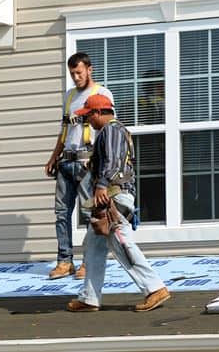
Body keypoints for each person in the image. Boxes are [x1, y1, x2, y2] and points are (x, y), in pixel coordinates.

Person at [66, 93, 170, 312]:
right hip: (110, 195)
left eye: (89, 116)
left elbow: (112, 161)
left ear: (98, 112)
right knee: (94, 245)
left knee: (121, 241)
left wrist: (102, 185)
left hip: (114, 194)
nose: (88, 122)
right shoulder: (113, 131)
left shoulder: (111, 129)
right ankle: (89, 298)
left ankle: (154, 288)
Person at [44, 52, 114, 280]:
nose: (75, 77)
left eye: (79, 72)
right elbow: (64, 130)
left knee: (89, 213)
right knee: (61, 213)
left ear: (89, 70)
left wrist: (104, 164)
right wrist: (54, 157)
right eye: (72, 73)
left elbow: (109, 131)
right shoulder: (69, 96)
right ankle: (65, 261)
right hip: (67, 160)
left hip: (88, 161)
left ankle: (88, 262)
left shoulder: (101, 94)